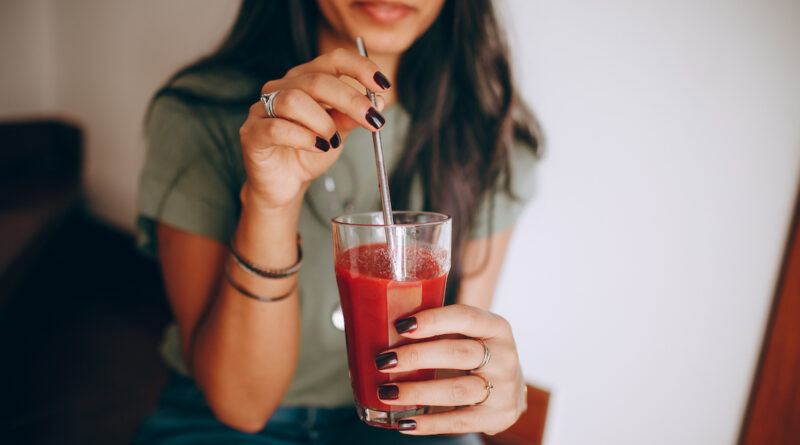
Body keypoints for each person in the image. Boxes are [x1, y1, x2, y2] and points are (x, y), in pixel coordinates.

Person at [133, 0, 541, 443]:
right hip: (216, 422)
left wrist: (499, 390)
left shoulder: (489, 141)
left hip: (401, 420)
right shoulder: (201, 115)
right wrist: (270, 204)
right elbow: (241, 406)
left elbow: (442, 378)